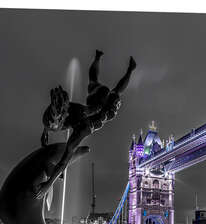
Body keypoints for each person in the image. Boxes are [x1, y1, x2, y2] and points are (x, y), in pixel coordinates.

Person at [35, 50, 136, 199]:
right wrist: (45, 132)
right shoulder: (64, 109)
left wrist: (48, 184)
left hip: (101, 112)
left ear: (63, 119)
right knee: (92, 80)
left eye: (55, 126)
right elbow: (48, 122)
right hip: (95, 97)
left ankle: (130, 69)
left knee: (115, 92)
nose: (54, 128)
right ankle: (98, 57)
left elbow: (64, 162)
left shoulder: (80, 128)